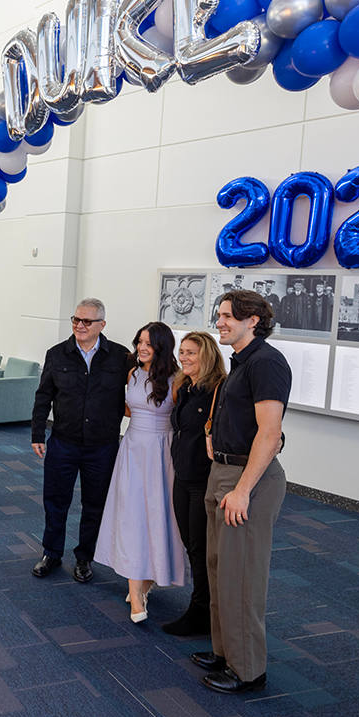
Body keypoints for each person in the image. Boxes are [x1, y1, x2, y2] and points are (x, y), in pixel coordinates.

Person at [193, 290, 291, 695]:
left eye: (228, 316)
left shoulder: (267, 362)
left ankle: (248, 670)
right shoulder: (241, 361)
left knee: (242, 578)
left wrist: (243, 490)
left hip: (247, 482)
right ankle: (225, 651)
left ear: (253, 320)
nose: (220, 322)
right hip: (224, 472)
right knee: (220, 571)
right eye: (219, 315)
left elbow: (270, 435)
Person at [30, 298, 130, 583]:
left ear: (102, 325)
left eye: (87, 321)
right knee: (55, 500)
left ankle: (85, 557)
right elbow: (43, 396)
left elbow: (140, 389)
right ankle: (52, 552)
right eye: (76, 320)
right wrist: (38, 433)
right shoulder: (57, 354)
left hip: (103, 446)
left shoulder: (120, 357)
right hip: (63, 441)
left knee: (95, 504)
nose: (80, 326)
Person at [94, 322, 184, 622]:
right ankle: (135, 596)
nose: (142, 348)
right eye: (140, 342)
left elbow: (178, 415)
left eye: (149, 344)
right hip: (132, 448)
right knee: (132, 516)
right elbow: (132, 408)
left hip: (161, 452)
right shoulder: (132, 373)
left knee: (159, 516)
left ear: (162, 347)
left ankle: (145, 585)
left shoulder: (177, 378)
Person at [163, 331, 227, 637]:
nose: (184, 358)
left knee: (201, 549)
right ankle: (205, 606)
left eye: (191, 353)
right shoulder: (184, 387)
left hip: (204, 480)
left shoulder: (218, 390)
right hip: (182, 477)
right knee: (192, 546)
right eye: (182, 352)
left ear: (208, 356)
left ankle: (202, 612)